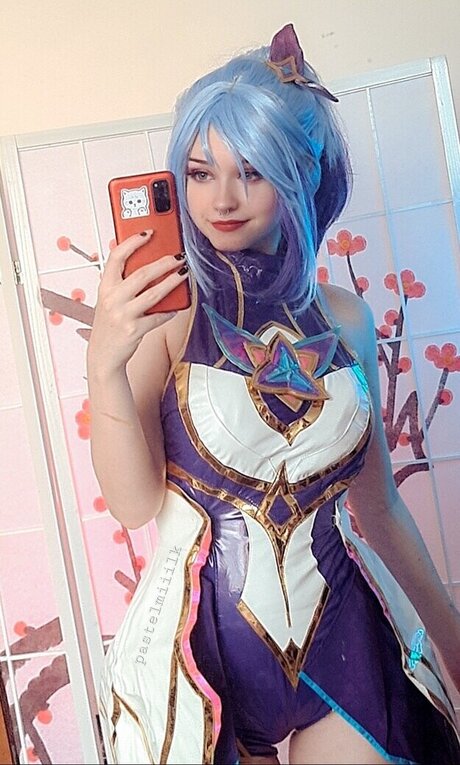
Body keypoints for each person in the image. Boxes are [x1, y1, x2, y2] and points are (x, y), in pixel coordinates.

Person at [89, 23, 460, 765]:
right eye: (200, 172)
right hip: (202, 664)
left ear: (300, 173)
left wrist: (453, 643)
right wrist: (105, 367)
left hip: (348, 646)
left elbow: (380, 506)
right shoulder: (167, 322)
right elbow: (133, 505)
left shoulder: (346, 317)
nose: (221, 199)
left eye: (252, 172)